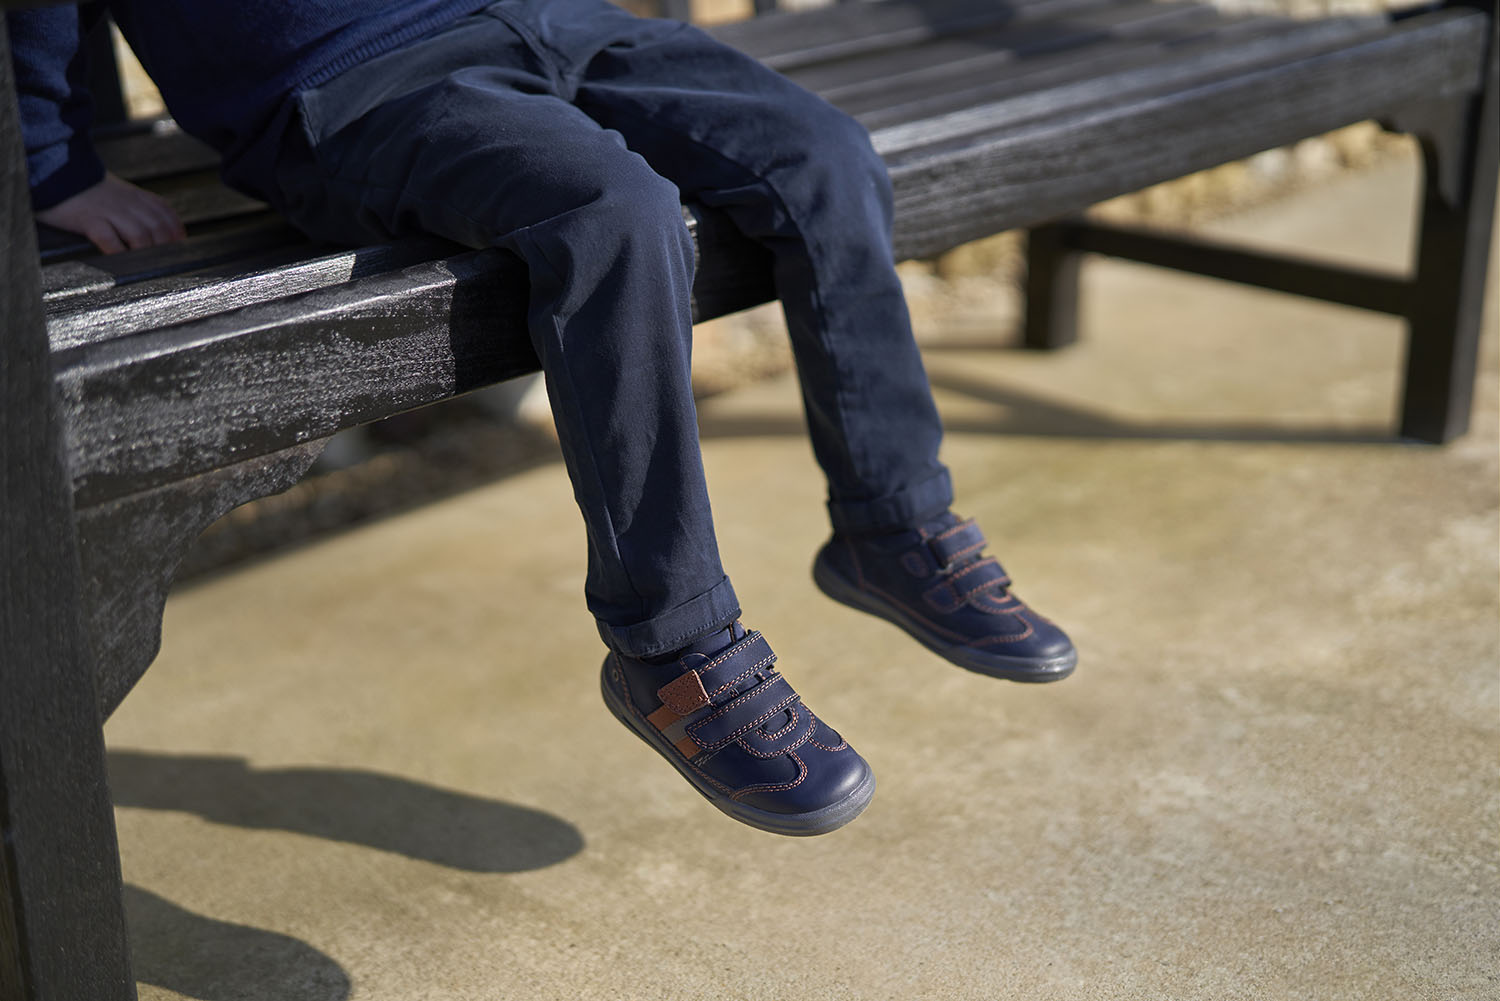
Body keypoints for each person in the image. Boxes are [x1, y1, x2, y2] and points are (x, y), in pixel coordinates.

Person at [8, 0, 1077, 836]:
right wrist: (55, 166)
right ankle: (674, 646)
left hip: (555, 21)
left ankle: (894, 524)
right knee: (614, 215)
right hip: (350, 88)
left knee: (827, 155)